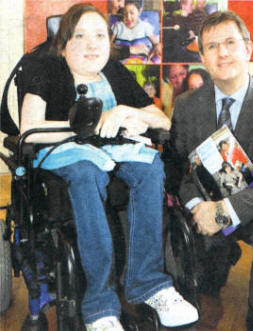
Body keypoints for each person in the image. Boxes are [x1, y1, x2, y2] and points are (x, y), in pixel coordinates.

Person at [20, 4, 198, 331]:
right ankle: (99, 304)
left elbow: (161, 121)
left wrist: (127, 112)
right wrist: (85, 126)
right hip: (65, 155)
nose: (92, 44)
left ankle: (149, 285)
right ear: (62, 44)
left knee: (150, 168)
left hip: (114, 151)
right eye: (80, 35)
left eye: (100, 35)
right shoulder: (46, 72)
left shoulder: (115, 72)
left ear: (110, 41)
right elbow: (29, 129)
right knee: (87, 173)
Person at [166, 10, 253, 330]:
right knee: (201, 279)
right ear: (203, 58)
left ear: (248, 48)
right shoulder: (187, 105)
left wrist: (225, 211)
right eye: (212, 46)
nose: (222, 53)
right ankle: (210, 274)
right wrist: (197, 207)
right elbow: (177, 167)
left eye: (230, 43)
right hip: (205, 205)